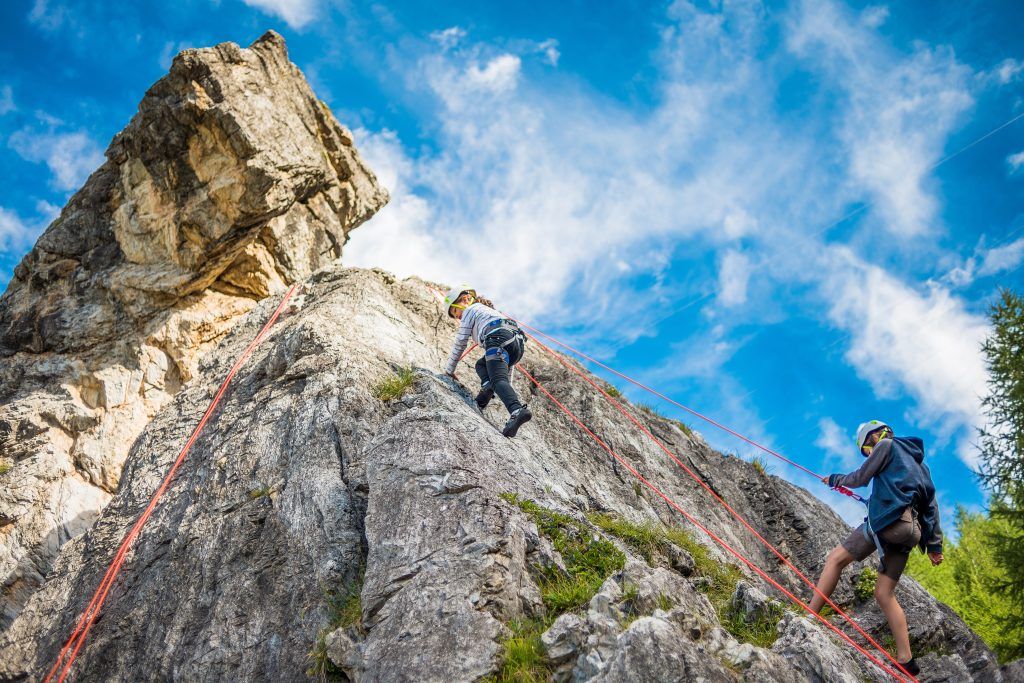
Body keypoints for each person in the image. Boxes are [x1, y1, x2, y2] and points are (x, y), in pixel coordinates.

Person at [809, 420, 944, 676]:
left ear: (871, 438)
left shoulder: (885, 446)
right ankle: (906, 660)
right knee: (885, 594)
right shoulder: (921, 466)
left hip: (889, 523)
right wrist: (934, 545)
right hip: (911, 532)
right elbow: (930, 508)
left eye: (866, 450)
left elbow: (861, 477)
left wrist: (835, 479)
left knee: (835, 559)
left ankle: (810, 615)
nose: (869, 454)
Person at [442, 286, 532, 438]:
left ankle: (517, 410)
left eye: (456, 313)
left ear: (464, 300)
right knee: (481, 365)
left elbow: (460, 342)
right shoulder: (490, 313)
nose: (458, 318)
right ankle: (487, 387)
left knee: (498, 379)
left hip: (497, 338)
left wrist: (449, 370)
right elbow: (507, 362)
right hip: (517, 345)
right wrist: (505, 385)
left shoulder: (470, 310)